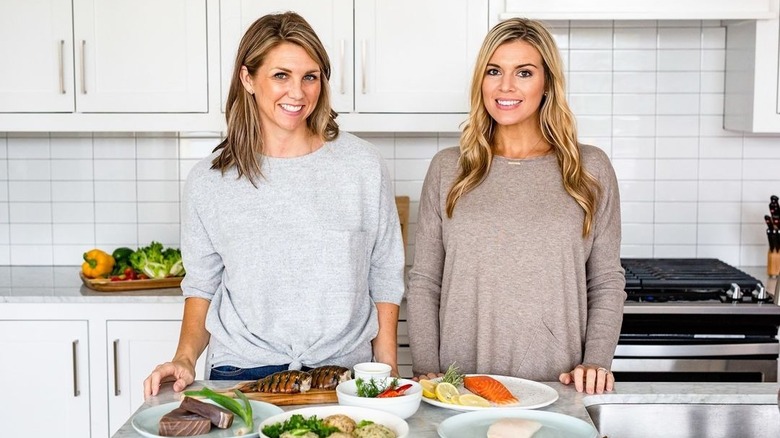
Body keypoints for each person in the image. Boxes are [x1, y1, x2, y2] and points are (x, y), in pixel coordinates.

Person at [144, 12, 405, 398]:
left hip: (342, 375)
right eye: (281, 75)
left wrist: (386, 370)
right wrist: (184, 358)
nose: (297, 93)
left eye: (310, 77)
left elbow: (384, 272)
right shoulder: (210, 181)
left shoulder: (362, 167)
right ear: (248, 78)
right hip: (239, 373)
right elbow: (201, 285)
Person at [406, 17, 626, 395]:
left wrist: (596, 362)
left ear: (547, 84)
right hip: (461, 391)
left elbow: (606, 281)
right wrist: (428, 370)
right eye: (494, 71)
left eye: (523, 72)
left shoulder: (589, 170)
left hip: (558, 387)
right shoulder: (449, 169)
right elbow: (425, 280)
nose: (505, 86)